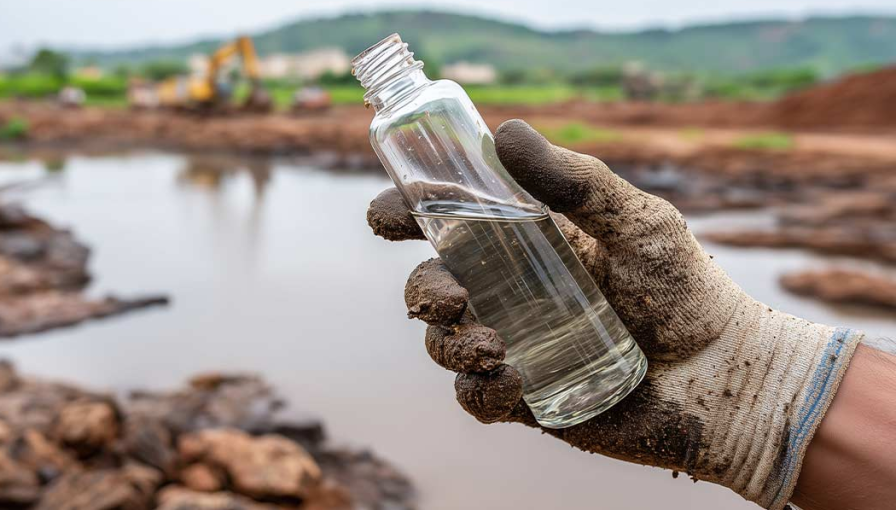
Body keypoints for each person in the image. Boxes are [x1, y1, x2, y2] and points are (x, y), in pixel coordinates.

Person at [365, 119, 896, 510]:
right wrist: (769, 387)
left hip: (622, 355)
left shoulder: (438, 108)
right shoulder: (393, 129)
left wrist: (758, 380)